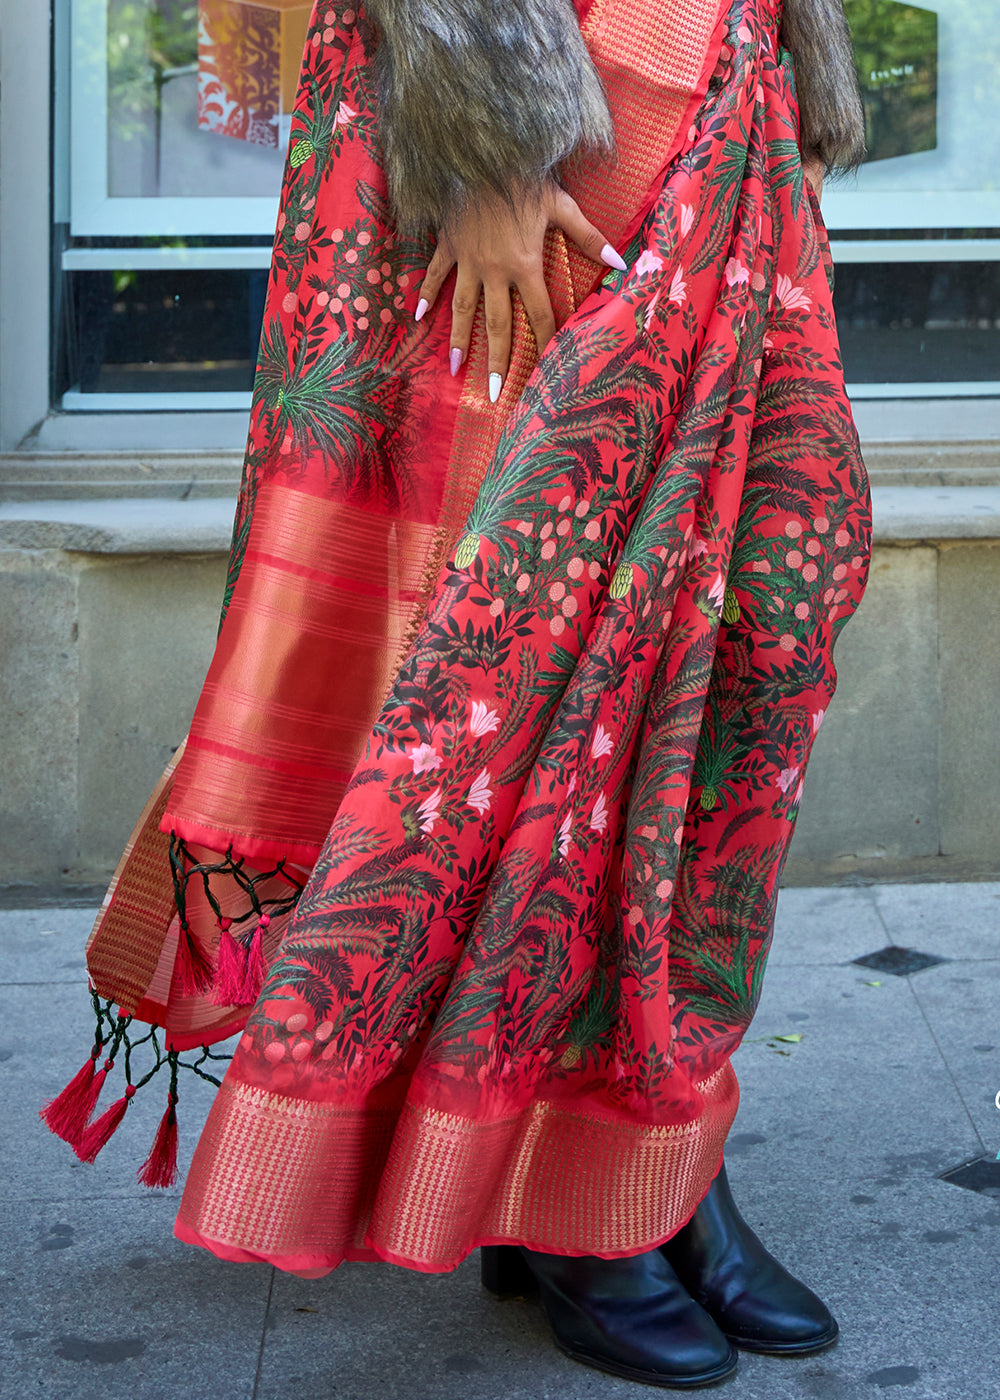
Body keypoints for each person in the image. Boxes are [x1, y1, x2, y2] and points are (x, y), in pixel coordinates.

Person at [43, 0, 871, 1387]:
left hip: (720, 113)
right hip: (530, 117)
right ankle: (552, 1184)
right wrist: (489, 152)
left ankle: (643, 1144)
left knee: (736, 656)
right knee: (520, 687)